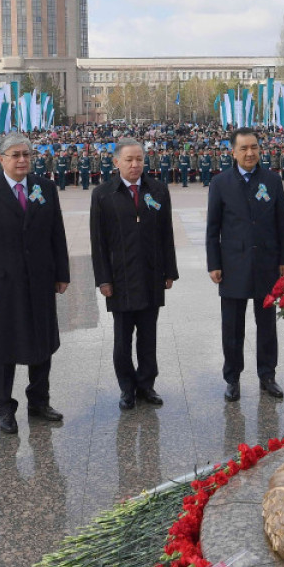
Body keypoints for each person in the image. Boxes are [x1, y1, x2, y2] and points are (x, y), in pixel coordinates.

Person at [0, 133, 70, 433]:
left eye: (27, 154)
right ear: (1, 159)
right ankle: (4, 408)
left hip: (40, 280)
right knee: (3, 348)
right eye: (15, 155)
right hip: (3, 284)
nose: (23, 160)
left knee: (42, 341)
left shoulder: (45, 187)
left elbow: (56, 233)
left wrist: (61, 273)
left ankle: (39, 401)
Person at [90, 138, 179, 410]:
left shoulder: (159, 190)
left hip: (151, 274)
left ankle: (146, 384)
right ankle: (127, 388)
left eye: (139, 159)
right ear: (116, 162)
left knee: (148, 336)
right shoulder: (104, 194)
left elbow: (166, 234)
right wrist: (103, 279)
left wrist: (169, 271)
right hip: (120, 278)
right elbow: (98, 241)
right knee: (122, 338)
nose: (135, 164)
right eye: (129, 160)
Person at [206, 128, 284, 402]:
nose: (250, 153)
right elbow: (213, 228)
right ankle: (232, 379)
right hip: (233, 265)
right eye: (243, 148)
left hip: (267, 264)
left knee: (267, 324)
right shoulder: (220, 183)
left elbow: (283, 223)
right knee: (232, 327)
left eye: (254, 147)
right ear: (232, 152)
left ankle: (267, 375)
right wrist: (214, 263)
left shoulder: (272, 180)